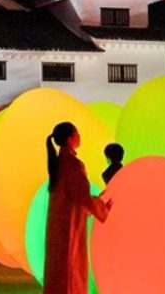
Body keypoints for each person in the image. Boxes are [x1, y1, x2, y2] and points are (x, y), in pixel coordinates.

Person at [44, 122, 111, 294]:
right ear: (69, 139)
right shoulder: (73, 164)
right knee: (70, 271)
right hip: (70, 227)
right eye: (77, 134)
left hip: (58, 226)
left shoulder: (58, 163)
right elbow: (82, 196)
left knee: (58, 272)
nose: (80, 137)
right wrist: (102, 207)